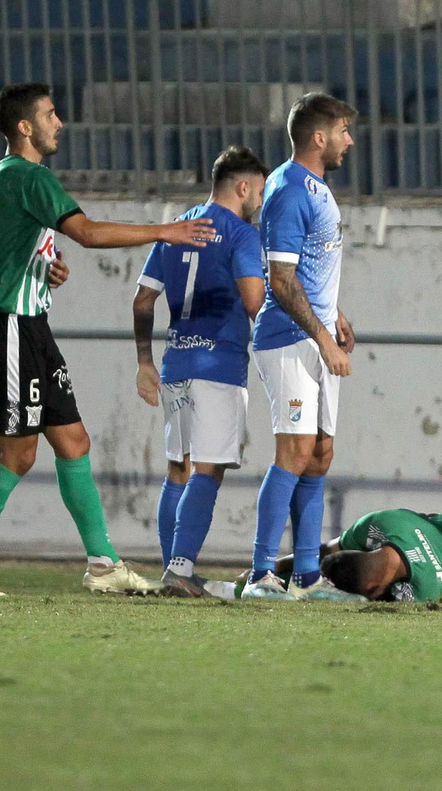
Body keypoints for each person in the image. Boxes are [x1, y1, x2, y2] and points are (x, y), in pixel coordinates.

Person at [0, 82, 215, 597]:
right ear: (25, 127)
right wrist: (163, 231)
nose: (59, 122)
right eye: (50, 114)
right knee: (17, 455)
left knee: (74, 441)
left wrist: (42, 265)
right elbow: (85, 232)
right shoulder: (28, 176)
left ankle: (103, 563)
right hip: (9, 325)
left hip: (29, 325)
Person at [240, 92, 365, 603]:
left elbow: (310, 270)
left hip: (314, 334)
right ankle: (260, 575)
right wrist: (322, 336)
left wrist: (335, 314)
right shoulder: (291, 188)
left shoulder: (314, 187)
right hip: (289, 340)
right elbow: (281, 278)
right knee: (293, 452)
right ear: (319, 137)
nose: (349, 140)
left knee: (319, 454)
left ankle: (308, 577)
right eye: (342, 131)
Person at [133, 145, 269, 599]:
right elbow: (254, 304)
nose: (261, 203)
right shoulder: (242, 235)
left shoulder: (177, 227)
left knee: (178, 467)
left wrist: (144, 362)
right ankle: (181, 567)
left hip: (175, 362)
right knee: (208, 469)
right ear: (243, 187)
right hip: (219, 364)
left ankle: (174, 569)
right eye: (260, 192)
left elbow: (142, 301)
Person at [248, 509, 442, 603]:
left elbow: (329, 548)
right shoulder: (379, 523)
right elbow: (328, 551)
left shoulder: (425, 588)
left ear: (372, 589)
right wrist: (278, 566)